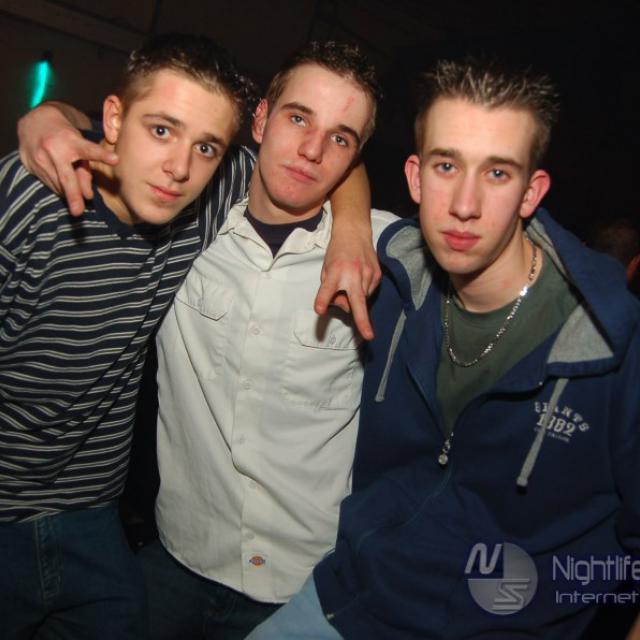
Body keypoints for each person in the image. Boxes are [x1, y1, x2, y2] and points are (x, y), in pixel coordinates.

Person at [247, 58, 640, 639]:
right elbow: (321, 162)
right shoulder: (391, 279)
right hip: (341, 603)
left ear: (531, 192)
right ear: (415, 177)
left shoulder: (611, 346)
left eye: (497, 173)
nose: (464, 203)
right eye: (446, 165)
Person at [0, 32, 255, 639]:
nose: (179, 168)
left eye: (206, 146)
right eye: (161, 130)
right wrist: (47, 117)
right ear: (113, 120)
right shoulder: (27, 201)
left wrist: (352, 234)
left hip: (93, 515)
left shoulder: (206, 196)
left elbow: (322, 159)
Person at [142, 41, 396, 639]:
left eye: (339, 138)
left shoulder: (385, 255)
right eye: (298, 117)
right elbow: (128, 140)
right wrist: (47, 118)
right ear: (260, 119)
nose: (312, 150)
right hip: (179, 554)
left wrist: (354, 224)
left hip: (305, 587)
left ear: (356, 158)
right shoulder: (184, 217)